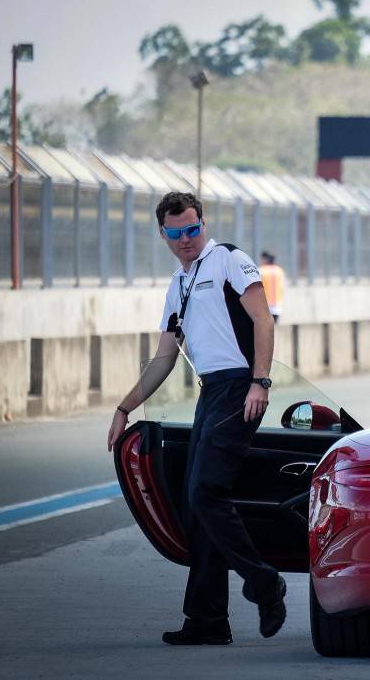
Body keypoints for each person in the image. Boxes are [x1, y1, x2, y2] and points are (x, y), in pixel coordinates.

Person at [106, 191, 285, 646]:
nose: (186, 239)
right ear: (162, 234)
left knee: (207, 491)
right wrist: (125, 407)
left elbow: (263, 321)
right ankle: (207, 620)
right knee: (194, 503)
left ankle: (265, 583)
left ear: (202, 224)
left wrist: (259, 382)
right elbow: (165, 358)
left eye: (193, 229)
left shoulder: (227, 259)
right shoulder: (177, 285)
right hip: (211, 392)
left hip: (240, 386)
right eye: (176, 233)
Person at [259, 251, 285, 324]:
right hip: (277, 306)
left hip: (264, 306)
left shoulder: (261, 271)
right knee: (274, 328)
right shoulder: (279, 271)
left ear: (265, 259)